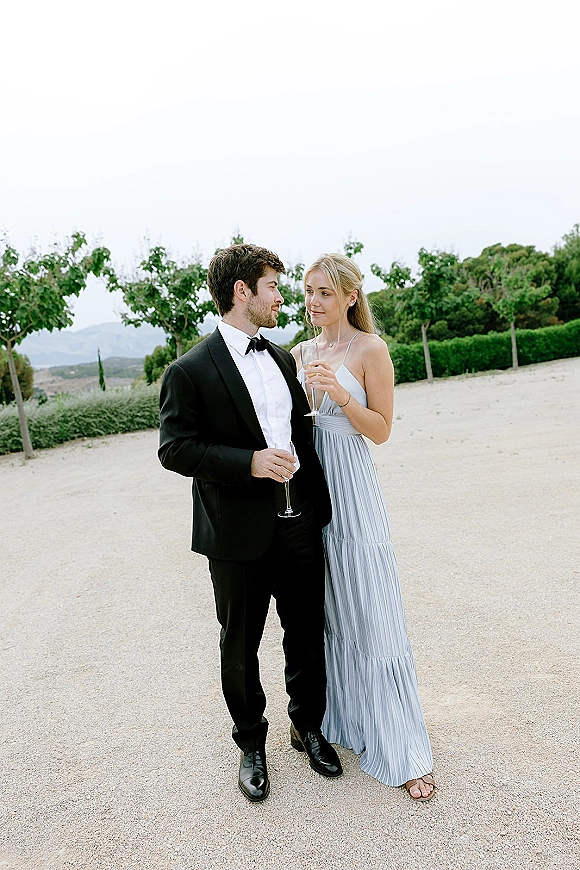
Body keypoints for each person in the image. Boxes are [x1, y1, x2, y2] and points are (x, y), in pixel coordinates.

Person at [158, 243, 342, 803]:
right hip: (236, 532)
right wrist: (250, 463)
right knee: (240, 643)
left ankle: (307, 727)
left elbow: (301, 433)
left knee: (306, 629)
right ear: (243, 292)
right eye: (273, 287)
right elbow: (174, 449)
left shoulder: (283, 358)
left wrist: (318, 503)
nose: (282, 297)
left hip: (298, 519)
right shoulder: (188, 371)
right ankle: (251, 745)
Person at [291, 253, 435, 801]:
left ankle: (399, 742)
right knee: (328, 608)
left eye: (324, 292)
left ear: (350, 297)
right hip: (312, 488)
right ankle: (343, 719)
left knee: (372, 606)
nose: (313, 301)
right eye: (308, 291)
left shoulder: (371, 349)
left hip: (353, 485)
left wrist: (340, 392)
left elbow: (380, 430)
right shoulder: (300, 352)